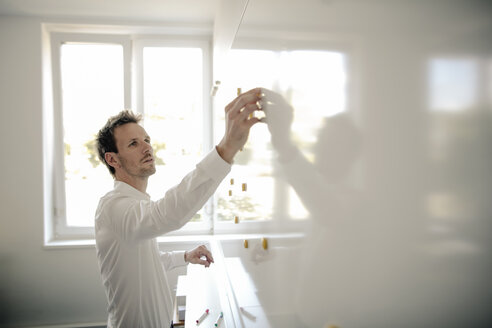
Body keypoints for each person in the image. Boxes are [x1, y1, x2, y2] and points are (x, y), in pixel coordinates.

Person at [94, 88, 263, 328]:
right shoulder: (113, 207)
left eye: (146, 140)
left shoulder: (136, 205)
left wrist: (184, 257)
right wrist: (226, 149)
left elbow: (145, 260)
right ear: (113, 159)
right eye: (133, 143)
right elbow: (167, 214)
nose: (147, 148)